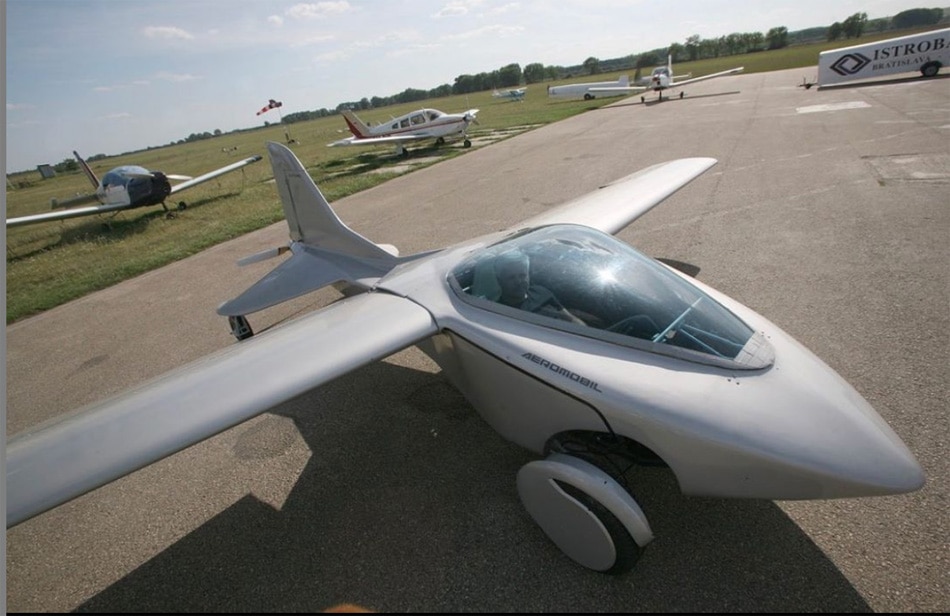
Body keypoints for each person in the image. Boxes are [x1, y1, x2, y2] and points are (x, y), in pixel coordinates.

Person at [493, 250, 585, 325]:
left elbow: (570, 318)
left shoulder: (540, 291)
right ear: (500, 281)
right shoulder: (501, 314)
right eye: (511, 277)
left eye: (522, 275)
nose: (519, 281)